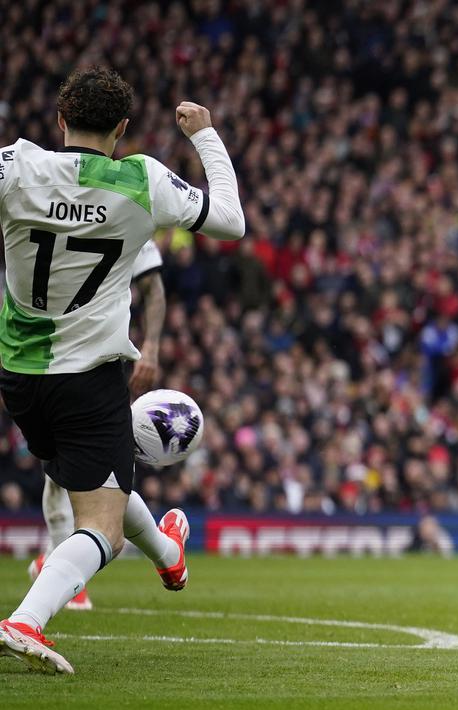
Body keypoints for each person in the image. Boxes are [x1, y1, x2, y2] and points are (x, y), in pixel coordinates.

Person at [0, 66, 244, 674]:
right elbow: (232, 222)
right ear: (122, 128)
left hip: (18, 374)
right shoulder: (143, 178)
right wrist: (206, 135)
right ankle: (27, 620)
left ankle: (168, 555)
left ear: (60, 120)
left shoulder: (15, 165)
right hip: (88, 375)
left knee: (103, 480)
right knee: (102, 528)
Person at [27, 240, 167, 612]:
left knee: (62, 468)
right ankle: (165, 557)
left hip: (70, 360)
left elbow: (152, 285)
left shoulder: (131, 203)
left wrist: (150, 346)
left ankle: (52, 561)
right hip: (49, 356)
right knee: (76, 475)